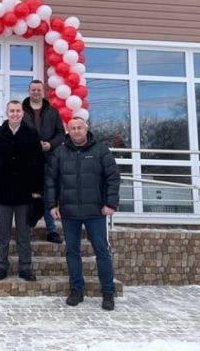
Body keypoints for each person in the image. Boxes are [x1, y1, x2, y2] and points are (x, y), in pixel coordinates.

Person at [46, 116, 120, 310]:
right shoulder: (60, 152)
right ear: (68, 131)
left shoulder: (101, 150)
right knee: (72, 252)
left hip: (95, 211)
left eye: (80, 127)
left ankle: (108, 292)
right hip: (69, 212)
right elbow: (51, 180)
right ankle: (76, 290)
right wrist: (52, 205)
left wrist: (110, 203)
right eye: (73, 128)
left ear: (86, 129)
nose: (77, 131)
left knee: (102, 251)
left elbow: (113, 177)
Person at [0, 100, 44, 282]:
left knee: (23, 233)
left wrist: (37, 189)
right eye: (12, 111)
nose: (15, 114)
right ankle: (2, 266)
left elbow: (38, 163)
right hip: (2, 191)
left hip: (24, 192)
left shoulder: (32, 134)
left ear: (22, 113)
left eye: (18, 111)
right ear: (7, 113)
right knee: (3, 232)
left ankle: (25, 267)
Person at [22, 79, 65, 244]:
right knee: (26, 194)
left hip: (48, 159)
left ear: (43, 92)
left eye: (39, 90)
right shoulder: (22, 111)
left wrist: (51, 144)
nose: (36, 93)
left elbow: (61, 134)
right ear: (29, 91)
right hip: (27, 161)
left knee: (48, 195)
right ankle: (25, 228)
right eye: (33, 90)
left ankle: (51, 230)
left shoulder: (52, 112)